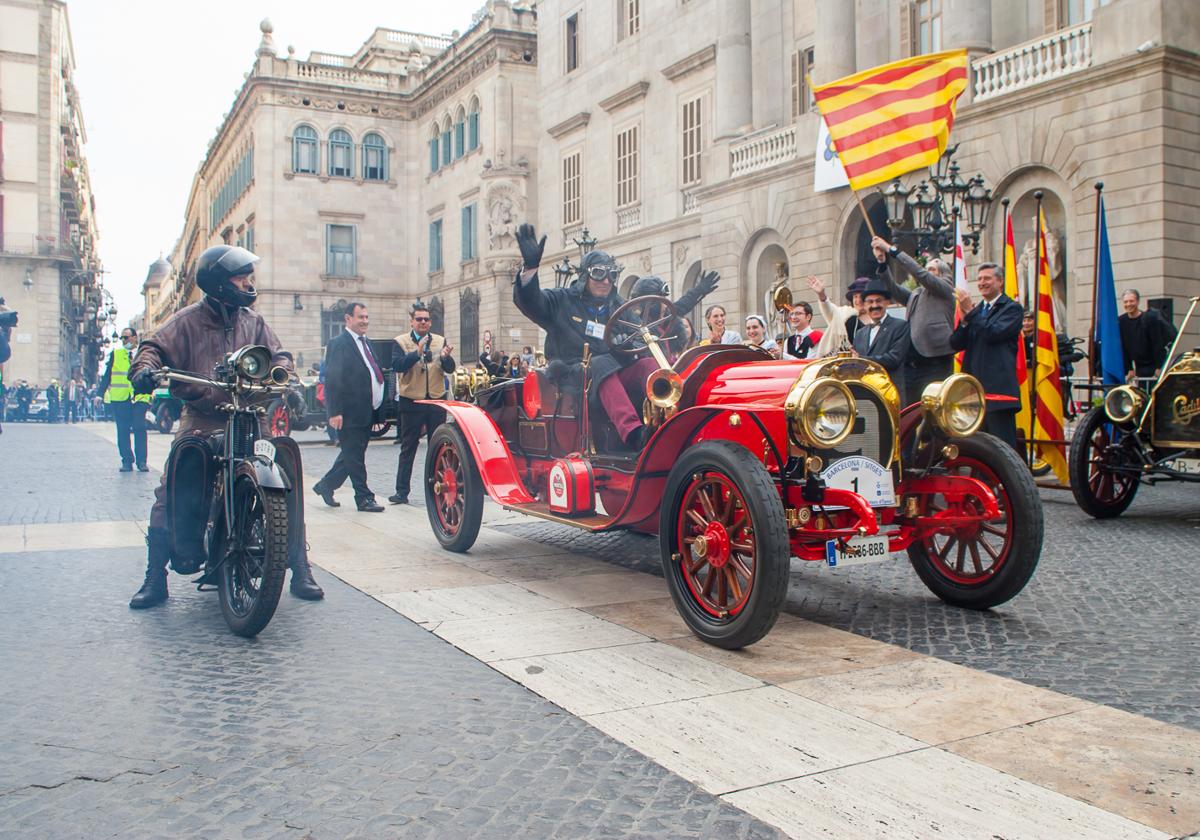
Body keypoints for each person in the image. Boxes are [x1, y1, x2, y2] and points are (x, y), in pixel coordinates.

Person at [126, 244, 323, 607]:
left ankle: (300, 567)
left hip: (251, 416)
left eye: (248, 275)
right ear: (218, 282)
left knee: (286, 480)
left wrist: (290, 382)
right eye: (240, 276)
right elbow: (153, 346)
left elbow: (279, 356)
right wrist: (144, 370)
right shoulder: (186, 320)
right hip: (204, 416)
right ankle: (156, 577)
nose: (248, 282)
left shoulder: (254, 321)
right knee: (173, 484)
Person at [512, 223, 717, 451]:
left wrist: (629, 344)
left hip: (614, 371)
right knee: (600, 363)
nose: (606, 281)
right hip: (573, 374)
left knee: (647, 364)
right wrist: (530, 269)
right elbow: (532, 303)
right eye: (598, 273)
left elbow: (641, 334)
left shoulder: (619, 306)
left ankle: (678, 420)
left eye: (611, 275)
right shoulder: (562, 300)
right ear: (584, 276)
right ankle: (633, 434)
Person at [314, 302, 386, 513]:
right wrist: (334, 412)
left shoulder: (367, 342)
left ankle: (325, 486)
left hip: (367, 409)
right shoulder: (339, 343)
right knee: (355, 456)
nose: (365, 321)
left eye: (366, 317)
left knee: (351, 454)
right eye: (360, 317)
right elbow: (333, 379)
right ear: (348, 319)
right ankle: (363, 498)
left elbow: (373, 373)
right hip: (349, 411)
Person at [871, 236, 957, 404]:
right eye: (927, 268)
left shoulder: (945, 289)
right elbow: (893, 289)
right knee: (911, 409)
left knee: (935, 409)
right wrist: (882, 263)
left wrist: (891, 250)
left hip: (935, 360)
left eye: (932, 269)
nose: (926, 272)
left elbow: (920, 273)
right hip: (913, 362)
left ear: (943, 274)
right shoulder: (917, 294)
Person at [950, 263, 1023, 451]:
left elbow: (993, 333)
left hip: (999, 393)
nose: (982, 283)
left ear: (1000, 282)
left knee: (1002, 449)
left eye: (987, 278)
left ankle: (1003, 482)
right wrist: (965, 322)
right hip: (974, 393)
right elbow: (956, 343)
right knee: (978, 448)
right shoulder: (977, 312)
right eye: (980, 279)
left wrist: (972, 313)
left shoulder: (1011, 309)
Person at [389, 303, 456, 505]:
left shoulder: (439, 340)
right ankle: (401, 492)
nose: (423, 322)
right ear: (412, 321)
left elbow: (450, 369)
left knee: (438, 446)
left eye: (426, 319)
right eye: (419, 319)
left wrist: (446, 358)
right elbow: (397, 366)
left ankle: (437, 488)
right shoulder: (400, 342)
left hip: (435, 399)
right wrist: (416, 353)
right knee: (408, 447)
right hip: (412, 401)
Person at [99, 328, 151, 471]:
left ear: (135, 338)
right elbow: (107, 376)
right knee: (123, 430)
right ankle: (127, 461)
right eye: (122, 338)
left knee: (140, 427)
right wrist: (99, 394)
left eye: (126, 337)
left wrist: (151, 392)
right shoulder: (116, 354)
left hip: (140, 397)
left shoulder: (144, 355)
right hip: (120, 398)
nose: (124, 341)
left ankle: (142, 462)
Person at [852, 277, 912, 396]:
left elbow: (893, 359)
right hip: (866, 396)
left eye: (878, 301)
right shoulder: (860, 333)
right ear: (864, 305)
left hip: (890, 394)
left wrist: (860, 359)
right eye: (870, 302)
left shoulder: (901, 326)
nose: (875, 305)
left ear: (887, 302)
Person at [1118, 288, 1177, 383]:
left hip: (1153, 365)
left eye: (1131, 301)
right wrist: (1129, 368)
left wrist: (1159, 367)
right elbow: (1123, 346)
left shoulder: (1149, 319)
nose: (1128, 304)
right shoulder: (1121, 321)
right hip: (1138, 366)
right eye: (1126, 302)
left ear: (1137, 302)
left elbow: (1157, 344)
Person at [809, 275, 870, 356]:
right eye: (855, 296)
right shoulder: (844, 313)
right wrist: (822, 295)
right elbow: (829, 309)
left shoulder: (877, 320)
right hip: (841, 362)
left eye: (861, 296)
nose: (858, 300)